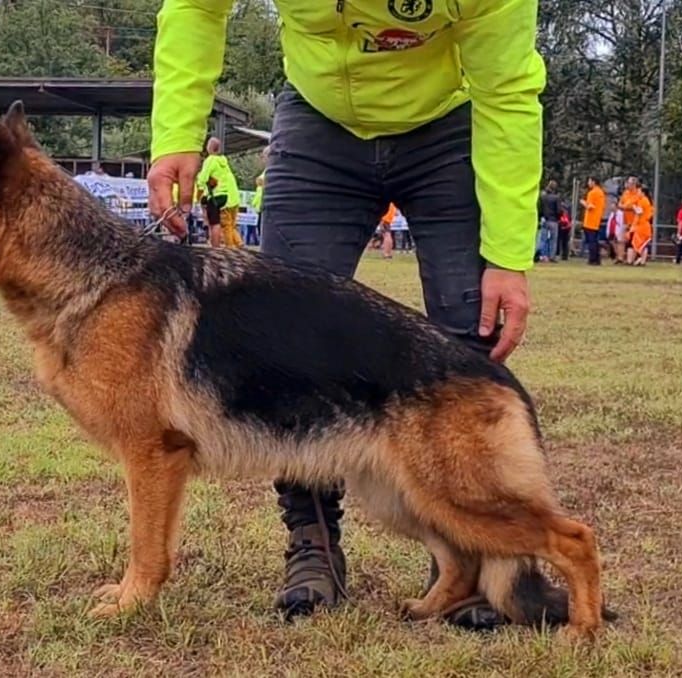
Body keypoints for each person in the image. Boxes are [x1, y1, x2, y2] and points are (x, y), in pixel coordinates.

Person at [148, 0, 543, 627]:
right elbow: (196, 8)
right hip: (319, 121)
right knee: (284, 346)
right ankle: (313, 545)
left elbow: (510, 90)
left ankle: (475, 559)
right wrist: (176, 134)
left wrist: (508, 255)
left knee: (472, 338)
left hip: (450, 125)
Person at [197, 137, 243, 248]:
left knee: (216, 224)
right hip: (228, 197)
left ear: (209, 147)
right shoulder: (223, 162)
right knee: (228, 224)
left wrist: (199, 190)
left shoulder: (210, 160)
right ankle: (236, 243)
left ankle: (218, 247)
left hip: (216, 197)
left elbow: (202, 179)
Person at [580, 177, 606, 265]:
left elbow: (590, 206)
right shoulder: (601, 192)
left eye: (589, 181)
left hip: (590, 220)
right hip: (597, 219)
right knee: (595, 240)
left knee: (591, 241)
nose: (588, 183)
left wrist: (583, 202)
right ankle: (597, 259)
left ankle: (592, 259)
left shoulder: (592, 193)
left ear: (593, 182)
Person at [626, 186, 654, 266]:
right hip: (642, 225)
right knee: (641, 244)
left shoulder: (644, 200)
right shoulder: (643, 200)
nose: (637, 193)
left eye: (639, 192)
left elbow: (639, 212)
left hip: (642, 225)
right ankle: (641, 260)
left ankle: (641, 260)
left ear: (643, 193)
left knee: (641, 243)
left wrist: (634, 207)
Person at [538, 180, 561, 262]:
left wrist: (541, 217)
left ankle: (542, 255)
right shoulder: (556, 198)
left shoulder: (543, 197)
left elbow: (540, 209)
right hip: (553, 220)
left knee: (543, 239)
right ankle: (552, 256)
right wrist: (558, 218)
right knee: (553, 240)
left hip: (545, 220)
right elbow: (559, 210)